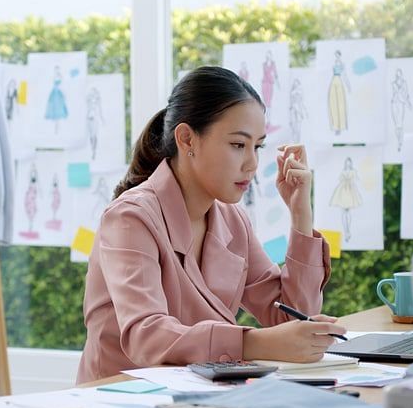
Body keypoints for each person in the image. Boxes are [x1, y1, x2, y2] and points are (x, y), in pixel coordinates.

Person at [77, 66, 343, 383]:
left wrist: (301, 214)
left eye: (257, 146)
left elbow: (289, 315)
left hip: (202, 397)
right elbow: (145, 335)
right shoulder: (130, 217)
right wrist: (253, 343)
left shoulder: (231, 219)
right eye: (237, 145)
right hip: (119, 402)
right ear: (187, 138)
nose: (253, 164)